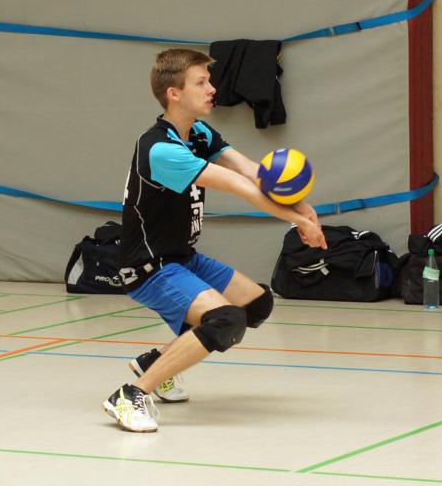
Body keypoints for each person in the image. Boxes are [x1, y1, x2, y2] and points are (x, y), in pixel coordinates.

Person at [102, 48, 327, 432]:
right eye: (201, 82)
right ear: (174, 93)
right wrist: (296, 221)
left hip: (180, 257)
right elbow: (239, 186)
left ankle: (156, 363)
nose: (212, 89)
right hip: (148, 267)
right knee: (226, 319)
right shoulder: (161, 150)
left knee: (256, 303)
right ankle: (130, 395)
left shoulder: (198, 133)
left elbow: (252, 171)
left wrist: (302, 206)